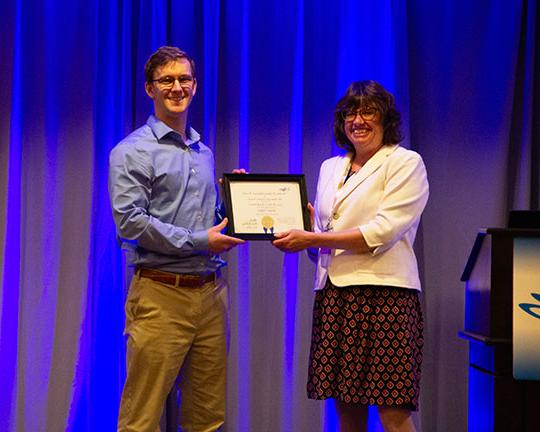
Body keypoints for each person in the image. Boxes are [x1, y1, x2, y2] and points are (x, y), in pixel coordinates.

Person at [273, 80, 429, 432]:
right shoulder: (332, 167)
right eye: (350, 113)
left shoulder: (405, 163)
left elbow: (383, 231)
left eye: (368, 112)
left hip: (386, 296)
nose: (358, 120)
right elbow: (324, 229)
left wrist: (313, 235)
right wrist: (288, 217)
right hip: (335, 295)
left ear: (385, 118)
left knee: (393, 410)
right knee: (346, 409)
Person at [108, 46, 244, 432]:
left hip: (211, 295)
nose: (177, 87)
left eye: (184, 79)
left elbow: (207, 223)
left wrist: (235, 202)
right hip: (160, 295)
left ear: (195, 86)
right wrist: (201, 240)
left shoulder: (203, 152)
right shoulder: (132, 151)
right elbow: (131, 223)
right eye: (166, 80)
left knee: (207, 419)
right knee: (142, 419)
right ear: (150, 89)